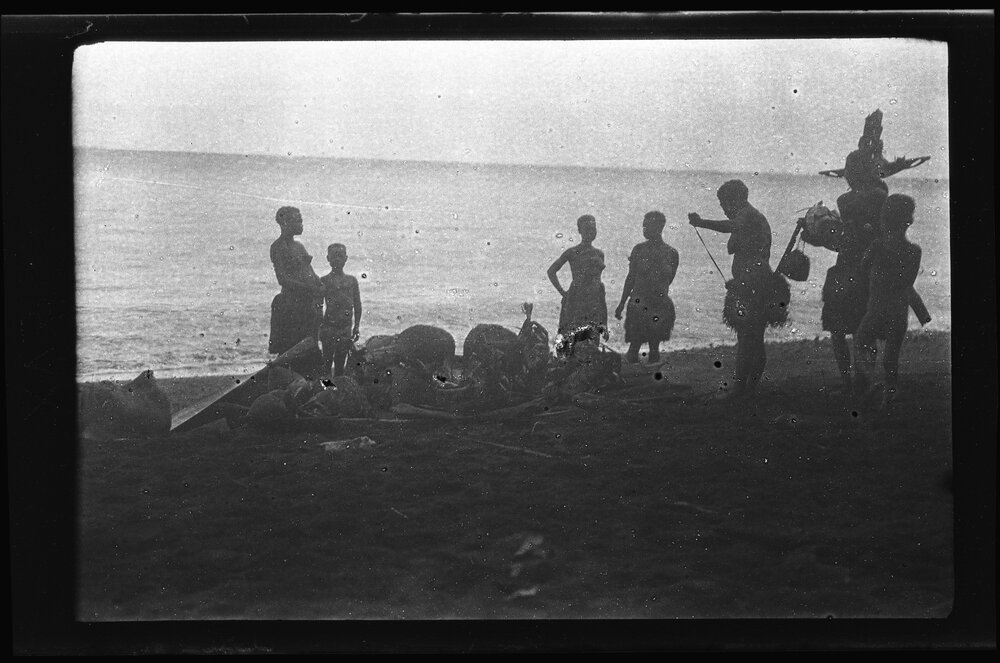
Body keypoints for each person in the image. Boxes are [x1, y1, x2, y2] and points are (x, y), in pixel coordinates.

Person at [822, 149, 932, 396]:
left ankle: (853, 384)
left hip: (856, 264)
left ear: (856, 172)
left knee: (843, 327)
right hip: (868, 266)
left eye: (849, 170)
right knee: (857, 327)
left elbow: (849, 229)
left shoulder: (851, 199)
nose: (846, 175)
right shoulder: (880, 194)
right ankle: (861, 383)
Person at [688, 180, 775, 406]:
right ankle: (745, 387)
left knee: (750, 337)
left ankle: (744, 388)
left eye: (724, 203)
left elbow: (730, 227)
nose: (723, 208)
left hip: (755, 283)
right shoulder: (747, 219)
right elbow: (734, 243)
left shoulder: (748, 215)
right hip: (748, 283)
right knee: (749, 337)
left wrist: (701, 222)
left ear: (736, 199)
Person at [853, 194, 922, 412]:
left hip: (876, 309)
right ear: (908, 221)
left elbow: (863, 268)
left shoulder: (877, 245)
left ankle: (872, 383)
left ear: (883, 219)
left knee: (860, 342)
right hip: (899, 311)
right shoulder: (914, 251)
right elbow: (907, 281)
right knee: (891, 360)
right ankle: (889, 397)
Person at [614, 211, 680, 364]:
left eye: (647, 226)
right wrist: (621, 304)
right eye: (643, 226)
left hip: (659, 303)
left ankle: (651, 384)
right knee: (634, 345)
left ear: (659, 227)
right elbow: (630, 279)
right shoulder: (638, 250)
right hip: (639, 303)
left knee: (655, 346)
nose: (644, 229)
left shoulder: (671, 253)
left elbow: (668, 279)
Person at [268, 206, 323, 356]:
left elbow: (309, 271)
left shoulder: (299, 246)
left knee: (310, 346)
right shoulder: (278, 247)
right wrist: (310, 288)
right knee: (290, 349)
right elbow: (283, 279)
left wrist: (319, 284)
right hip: (291, 304)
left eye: (301, 221)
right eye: (297, 221)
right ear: (285, 223)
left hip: (307, 303)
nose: (301, 225)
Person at [547, 214, 608, 347]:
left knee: (593, 339)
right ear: (580, 231)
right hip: (576, 299)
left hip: (595, 299)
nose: (591, 232)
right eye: (587, 229)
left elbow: (599, 282)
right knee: (572, 339)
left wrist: (605, 324)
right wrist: (563, 292)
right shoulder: (572, 252)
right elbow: (551, 271)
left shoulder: (599, 253)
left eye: (593, 229)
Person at [319, 243, 362, 377]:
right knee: (326, 362)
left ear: (346, 258)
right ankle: (326, 391)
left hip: (345, 328)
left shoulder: (351, 281)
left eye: (340, 256)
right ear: (328, 258)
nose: (337, 259)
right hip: (329, 327)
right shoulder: (324, 281)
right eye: (334, 256)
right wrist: (319, 327)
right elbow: (318, 306)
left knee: (340, 363)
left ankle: (337, 391)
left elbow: (357, 305)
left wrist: (356, 327)